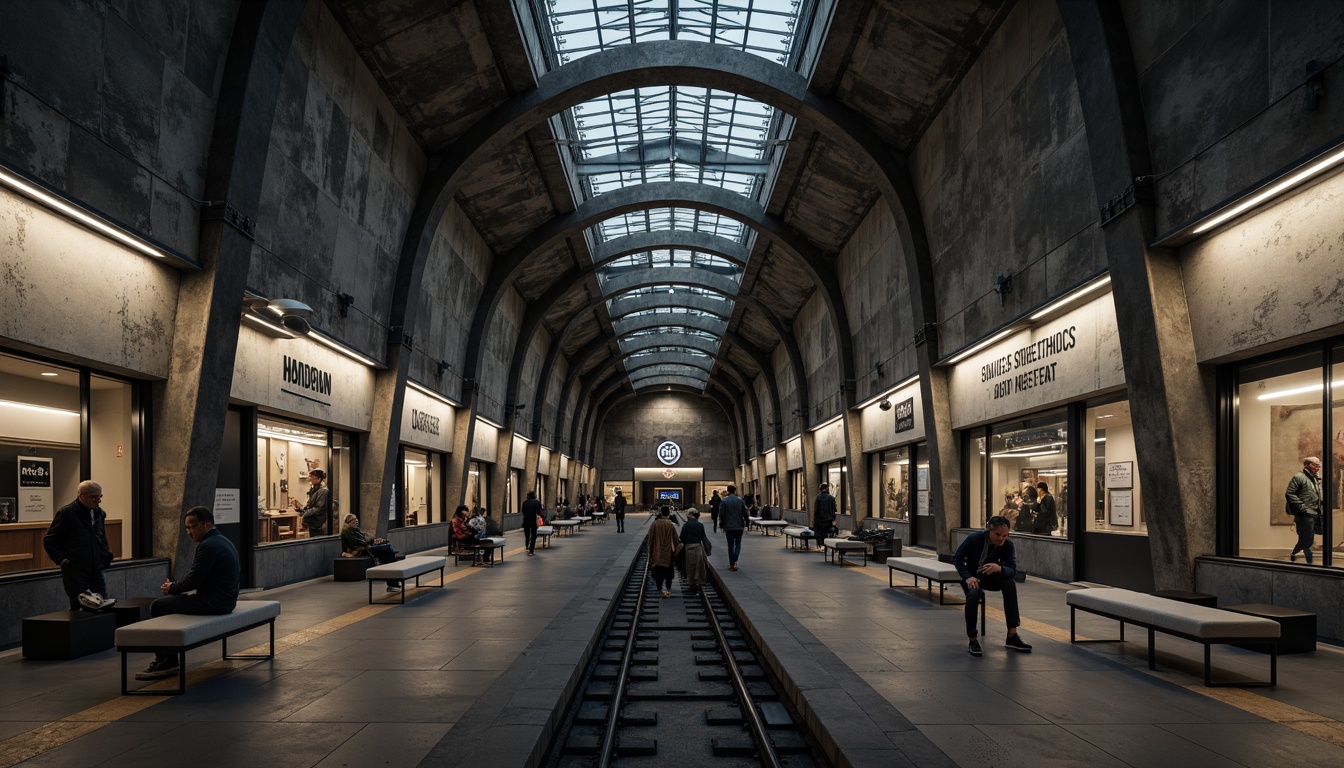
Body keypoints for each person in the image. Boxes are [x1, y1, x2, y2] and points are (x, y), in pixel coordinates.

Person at [136, 506, 240, 680]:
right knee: (174, 601)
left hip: (214, 603)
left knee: (159, 605)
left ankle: (167, 661)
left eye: (192, 526)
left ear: (206, 524)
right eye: (186, 527)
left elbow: (193, 580)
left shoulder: (208, 546)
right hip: (226, 600)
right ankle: (168, 657)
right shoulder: (223, 540)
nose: (189, 532)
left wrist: (171, 588)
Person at [953, 515, 1032, 657]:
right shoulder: (974, 538)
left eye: (1005, 535)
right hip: (973, 578)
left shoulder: (1008, 545)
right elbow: (957, 558)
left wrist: (999, 568)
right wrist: (968, 577)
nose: (1001, 538)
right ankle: (972, 639)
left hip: (993, 577)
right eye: (997, 535)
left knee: (1009, 583)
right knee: (973, 595)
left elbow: (1012, 570)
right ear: (989, 530)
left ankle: (1012, 635)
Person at [43, 480, 116, 611]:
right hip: (75, 569)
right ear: (82, 496)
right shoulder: (67, 513)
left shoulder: (99, 513)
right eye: (93, 496)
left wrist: (105, 555)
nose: (98, 500)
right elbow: (49, 540)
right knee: (81, 607)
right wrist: (62, 560)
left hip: (95, 567)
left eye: (100, 496)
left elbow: (101, 537)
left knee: (103, 604)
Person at [342, 513, 402, 592]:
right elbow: (360, 542)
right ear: (349, 522)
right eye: (354, 520)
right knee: (387, 551)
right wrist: (372, 542)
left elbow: (365, 538)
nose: (356, 521)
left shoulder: (355, 530)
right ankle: (393, 582)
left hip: (366, 547)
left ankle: (393, 581)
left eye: (356, 519)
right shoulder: (347, 531)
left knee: (388, 550)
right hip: (362, 550)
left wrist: (374, 540)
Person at [1286, 456, 1324, 564]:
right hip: (1305, 515)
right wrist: (1302, 508)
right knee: (1307, 539)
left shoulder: (1316, 479)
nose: (1317, 468)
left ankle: (1297, 555)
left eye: (1318, 466)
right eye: (1314, 465)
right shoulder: (1299, 477)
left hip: (1316, 513)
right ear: (1307, 464)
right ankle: (1308, 562)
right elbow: (1290, 493)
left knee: (1309, 539)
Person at [647, 506, 682, 597]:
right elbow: (676, 540)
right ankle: (668, 588)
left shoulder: (654, 524)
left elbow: (650, 539)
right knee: (668, 572)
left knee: (659, 572)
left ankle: (660, 588)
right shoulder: (672, 525)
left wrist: (650, 553)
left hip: (657, 552)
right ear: (669, 514)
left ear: (661, 513)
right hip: (669, 553)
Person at [718, 484, 748, 571]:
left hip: (728, 526)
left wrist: (722, 523)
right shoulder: (740, 501)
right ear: (735, 491)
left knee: (730, 545)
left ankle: (732, 562)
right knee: (738, 544)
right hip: (739, 526)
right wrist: (746, 523)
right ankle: (735, 558)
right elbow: (745, 513)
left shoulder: (724, 501)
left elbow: (722, 514)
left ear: (728, 491)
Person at [680, 509, 710, 592]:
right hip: (698, 547)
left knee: (690, 566)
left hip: (688, 547)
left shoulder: (686, 525)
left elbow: (682, 537)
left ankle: (691, 583)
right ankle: (698, 581)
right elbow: (703, 536)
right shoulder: (700, 525)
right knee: (699, 566)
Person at [293, 468, 330, 536]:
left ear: (318, 479)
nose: (310, 479)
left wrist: (305, 515)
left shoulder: (323, 491)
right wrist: (301, 509)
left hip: (319, 525)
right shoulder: (314, 489)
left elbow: (318, 508)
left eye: (312, 477)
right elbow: (310, 505)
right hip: (313, 524)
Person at [812, 483, 838, 550]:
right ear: (827, 488)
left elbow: (816, 510)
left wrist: (815, 520)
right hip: (829, 520)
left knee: (819, 532)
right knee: (826, 532)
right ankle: (826, 545)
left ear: (820, 489)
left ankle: (820, 544)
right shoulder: (831, 498)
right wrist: (833, 519)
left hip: (820, 520)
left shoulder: (818, 497)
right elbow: (834, 510)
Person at [521, 491, 543, 555]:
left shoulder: (524, 503)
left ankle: (527, 546)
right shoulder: (537, 502)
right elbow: (539, 512)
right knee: (533, 535)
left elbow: (523, 512)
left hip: (526, 521)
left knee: (527, 534)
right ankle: (531, 550)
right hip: (533, 520)